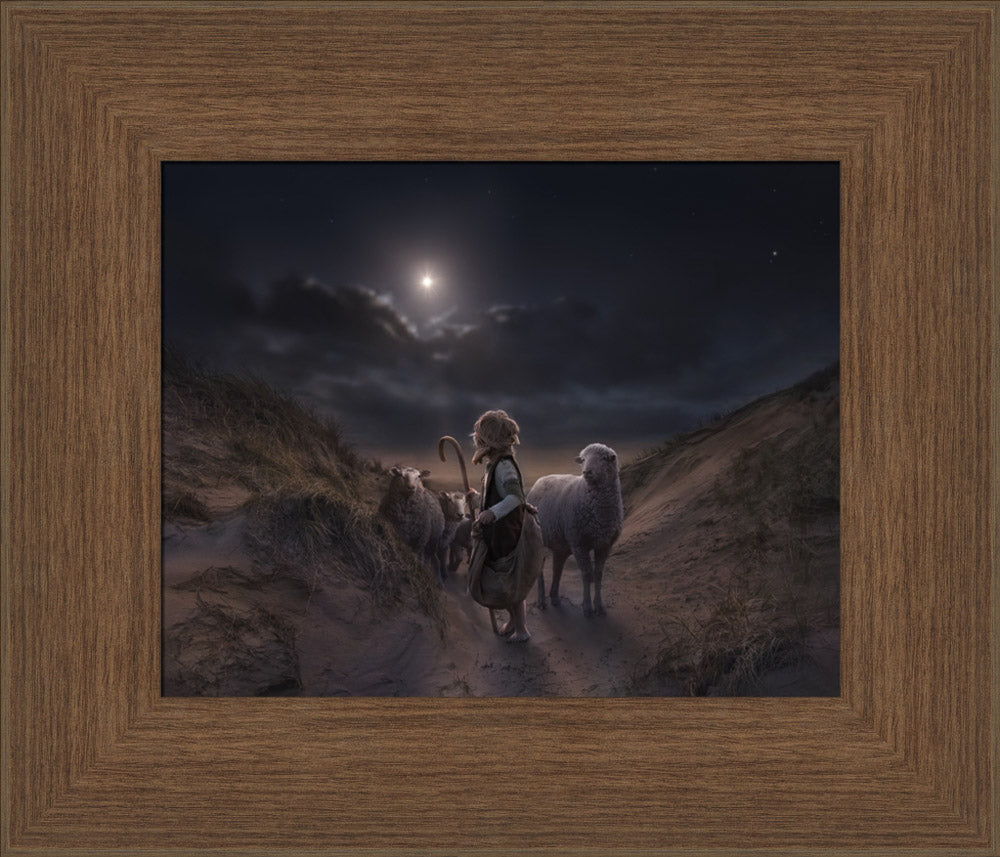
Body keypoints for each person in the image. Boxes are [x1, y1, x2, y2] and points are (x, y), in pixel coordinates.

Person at [469, 409, 531, 642]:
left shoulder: (504, 466)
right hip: (498, 533)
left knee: (510, 583)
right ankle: (515, 621)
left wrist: (492, 514)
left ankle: (522, 629)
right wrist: (477, 499)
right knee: (506, 582)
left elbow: (516, 498)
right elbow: (496, 495)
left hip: (506, 534)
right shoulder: (495, 465)